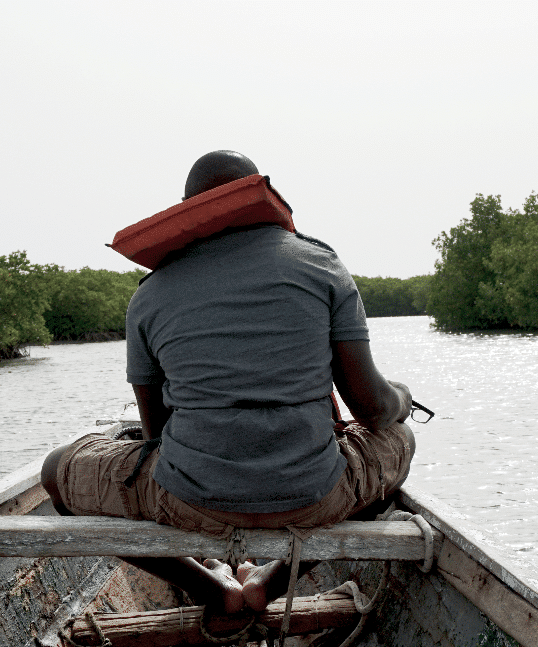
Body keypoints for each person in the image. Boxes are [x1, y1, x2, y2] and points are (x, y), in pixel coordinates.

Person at [41, 150, 415, 615]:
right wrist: (403, 398)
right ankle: (267, 583)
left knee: (54, 471)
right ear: (260, 193)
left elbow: (154, 433)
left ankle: (212, 589)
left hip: (191, 501)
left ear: (187, 208)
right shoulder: (323, 266)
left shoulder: (151, 292)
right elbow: (373, 409)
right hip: (315, 494)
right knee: (400, 438)